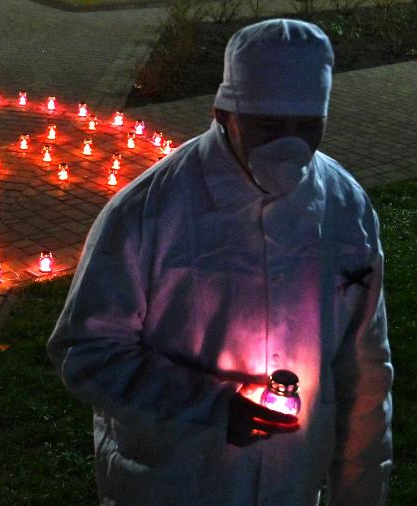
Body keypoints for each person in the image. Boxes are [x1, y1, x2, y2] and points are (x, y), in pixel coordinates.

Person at [48, 19, 392, 505]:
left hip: (290, 484)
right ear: (223, 112)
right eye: (269, 126)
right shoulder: (150, 210)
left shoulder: (345, 207)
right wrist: (209, 407)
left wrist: (360, 492)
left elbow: (366, 365)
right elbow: (86, 352)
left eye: (307, 126)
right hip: (170, 482)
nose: (290, 144)